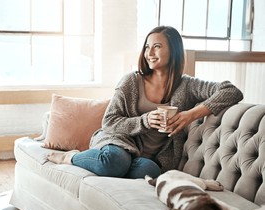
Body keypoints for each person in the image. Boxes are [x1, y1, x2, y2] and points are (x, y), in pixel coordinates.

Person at [47, 25, 243, 179]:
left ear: (173, 50)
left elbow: (231, 91)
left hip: (145, 157)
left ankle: (111, 167)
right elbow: (109, 122)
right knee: (114, 161)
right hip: (119, 142)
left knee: (149, 172)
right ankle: (69, 157)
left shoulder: (188, 85)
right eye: (147, 47)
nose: (149, 52)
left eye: (157, 46)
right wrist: (145, 121)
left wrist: (189, 115)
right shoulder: (131, 81)